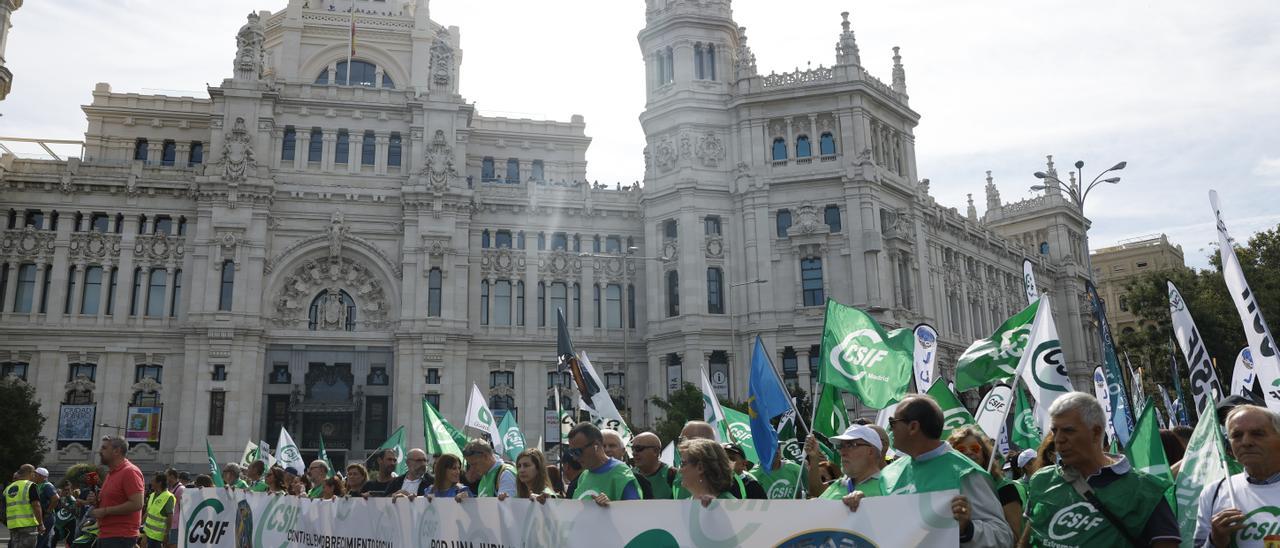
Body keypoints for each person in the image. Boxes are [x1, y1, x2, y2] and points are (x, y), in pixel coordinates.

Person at [1020, 392, 1179, 547]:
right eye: (1055, 431)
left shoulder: (1146, 492)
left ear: (1095, 433)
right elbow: (1028, 540)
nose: (1059, 440)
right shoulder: (1041, 480)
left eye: (1068, 431)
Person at [880, 396, 1013, 547]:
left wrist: (966, 529)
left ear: (913, 427)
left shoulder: (965, 472)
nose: (890, 428)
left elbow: (1003, 537)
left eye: (893, 422)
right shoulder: (889, 474)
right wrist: (858, 508)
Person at [1194, 405, 1280, 548]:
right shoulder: (1214, 492)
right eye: (1237, 435)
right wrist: (1215, 541)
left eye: (1258, 433)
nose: (1246, 442)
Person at [948, 426, 1025, 536]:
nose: (969, 452)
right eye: (961, 450)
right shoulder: (950, 486)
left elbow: (1016, 535)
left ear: (984, 454)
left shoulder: (1004, 488)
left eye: (974, 448)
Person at [566, 422, 641, 506]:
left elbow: (634, 512)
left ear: (596, 446)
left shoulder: (621, 474)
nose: (574, 458)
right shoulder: (583, 476)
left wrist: (611, 508)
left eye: (577, 452)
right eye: (571, 452)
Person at [816, 424, 886, 511]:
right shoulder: (838, 484)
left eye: (850, 445)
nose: (842, 452)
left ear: (870, 451)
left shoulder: (888, 486)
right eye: (841, 446)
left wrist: (868, 505)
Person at [92, 436, 144, 548]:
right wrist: (96, 502)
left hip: (120, 537)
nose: (100, 451)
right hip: (107, 535)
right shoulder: (112, 474)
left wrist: (105, 511)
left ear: (117, 451)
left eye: (104, 448)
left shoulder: (129, 472)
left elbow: (137, 503)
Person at [678, 438, 737, 506]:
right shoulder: (684, 506)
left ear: (700, 468)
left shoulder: (730, 506)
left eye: (682, 463)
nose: (679, 470)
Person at [601, 429, 652, 497]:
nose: (607, 450)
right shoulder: (585, 477)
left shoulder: (638, 480)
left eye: (612, 446)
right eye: (603, 446)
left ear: (623, 451)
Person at [4, 464, 44, 548]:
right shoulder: (30, 485)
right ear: (30, 473)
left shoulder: (8, 488)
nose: (34, 475)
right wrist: (40, 524)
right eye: (34, 473)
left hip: (13, 525)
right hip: (28, 525)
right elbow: (36, 506)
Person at [630, 432, 676, 500]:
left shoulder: (673, 475)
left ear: (656, 451)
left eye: (638, 448)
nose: (634, 453)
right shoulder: (629, 476)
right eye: (632, 449)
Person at [141, 473, 173, 548]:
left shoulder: (168, 497)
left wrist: (166, 534)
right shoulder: (152, 495)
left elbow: (170, 517)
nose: (151, 483)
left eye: (153, 481)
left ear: (159, 483)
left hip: (158, 537)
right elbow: (148, 512)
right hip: (147, 532)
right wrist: (140, 524)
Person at [32, 467, 57, 548]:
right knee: (43, 541)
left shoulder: (47, 485)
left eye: (36, 474)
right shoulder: (37, 485)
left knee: (41, 541)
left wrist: (48, 511)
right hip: (41, 516)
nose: (34, 476)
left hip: (46, 517)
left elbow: (56, 498)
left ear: (41, 476)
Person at [50, 482, 78, 548]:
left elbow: (75, 512)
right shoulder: (60, 498)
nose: (67, 491)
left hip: (70, 521)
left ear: (71, 490)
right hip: (59, 521)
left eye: (68, 489)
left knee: (70, 539)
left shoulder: (73, 499)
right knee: (55, 538)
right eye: (65, 490)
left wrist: (65, 506)